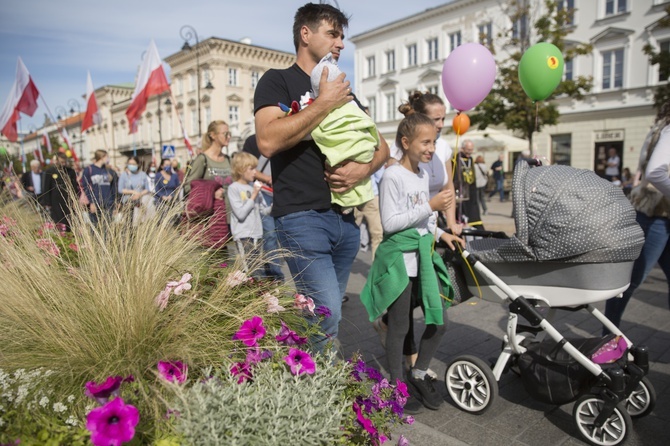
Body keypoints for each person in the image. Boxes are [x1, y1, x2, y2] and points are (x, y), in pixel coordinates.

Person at [253, 2, 390, 351]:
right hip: (301, 218)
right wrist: (323, 103)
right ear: (305, 34)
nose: (341, 43)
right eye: (332, 34)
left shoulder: (343, 90)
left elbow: (383, 147)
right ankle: (312, 387)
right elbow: (267, 141)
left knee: (323, 318)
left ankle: (307, 381)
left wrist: (363, 168)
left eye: (343, 36)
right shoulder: (277, 81)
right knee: (326, 315)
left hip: (345, 221)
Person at [361, 112, 464, 412]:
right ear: (406, 143)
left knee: (439, 321)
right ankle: (396, 384)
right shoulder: (393, 175)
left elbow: (424, 219)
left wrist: (442, 233)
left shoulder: (422, 175)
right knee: (400, 327)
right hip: (399, 261)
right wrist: (429, 206)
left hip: (423, 256)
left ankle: (418, 372)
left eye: (434, 141)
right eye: (425, 141)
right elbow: (390, 223)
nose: (432, 148)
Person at [605, 104, 670, 330]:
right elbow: (655, 171)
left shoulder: (659, 127)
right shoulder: (667, 128)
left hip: (656, 211)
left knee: (629, 281)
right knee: (629, 281)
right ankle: (608, 335)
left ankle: (608, 334)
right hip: (656, 213)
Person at [310, 52, 380, 210]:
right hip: (363, 149)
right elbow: (368, 124)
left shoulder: (323, 109)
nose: (340, 44)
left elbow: (311, 131)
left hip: (342, 153)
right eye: (332, 34)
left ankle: (348, 202)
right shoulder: (351, 104)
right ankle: (358, 199)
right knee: (347, 171)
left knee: (339, 169)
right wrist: (372, 140)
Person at [183, 120, 233, 246]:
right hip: (210, 220)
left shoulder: (228, 159)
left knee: (229, 261)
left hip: (231, 218)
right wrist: (211, 193)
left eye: (229, 133)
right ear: (213, 135)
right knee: (214, 261)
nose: (229, 137)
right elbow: (188, 187)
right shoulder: (202, 159)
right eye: (225, 133)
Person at [242, 134, 284, 282]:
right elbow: (247, 167)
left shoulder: (286, 136)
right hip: (264, 192)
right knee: (270, 234)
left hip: (283, 192)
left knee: (279, 235)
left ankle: (270, 270)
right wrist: (267, 179)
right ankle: (275, 276)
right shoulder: (254, 141)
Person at [227, 152, 266, 277]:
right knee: (249, 272)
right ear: (240, 170)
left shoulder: (252, 187)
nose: (255, 172)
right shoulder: (234, 188)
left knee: (258, 269)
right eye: (251, 169)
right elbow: (240, 214)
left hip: (257, 234)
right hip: (244, 235)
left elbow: (262, 211)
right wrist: (254, 195)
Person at [40, 152, 78, 230]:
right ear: (57, 161)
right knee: (58, 221)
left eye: (64, 162)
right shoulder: (50, 171)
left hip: (68, 200)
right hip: (55, 201)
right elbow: (46, 187)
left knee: (69, 221)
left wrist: (75, 200)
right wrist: (47, 202)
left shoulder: (70, 171)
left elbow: (74, 186)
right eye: (61, 162)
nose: (63, 164)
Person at [82, 149, 119, 227]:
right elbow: (86, 187)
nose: (108, 159)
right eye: (107, 157)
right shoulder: (89, 170)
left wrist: (115, 202)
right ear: (102, 157)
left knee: (107, 227)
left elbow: (114, 188)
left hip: (108, 203)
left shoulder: (109, 171)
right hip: (95, 202)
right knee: (95, 227)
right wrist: (91, 202)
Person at [456, 139, 484, 227]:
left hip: (471, 189)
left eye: (471, 150)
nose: (470, 152)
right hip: (461, 189)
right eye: (468, 150)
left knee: (473, 211)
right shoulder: (456, 158)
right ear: (462, 148)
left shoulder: (471, 159)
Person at [118, 156, 151, 227]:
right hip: (128, 202)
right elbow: (120, 189)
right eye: (130, 164)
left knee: (140, 222)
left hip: (140, 202)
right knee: (128, 224)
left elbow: (147, 189)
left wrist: (139, 194)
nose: (131, 165)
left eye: (133, 164)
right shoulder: (124, 175)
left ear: (138, 164)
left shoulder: (143, 174)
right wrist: (133, 192)